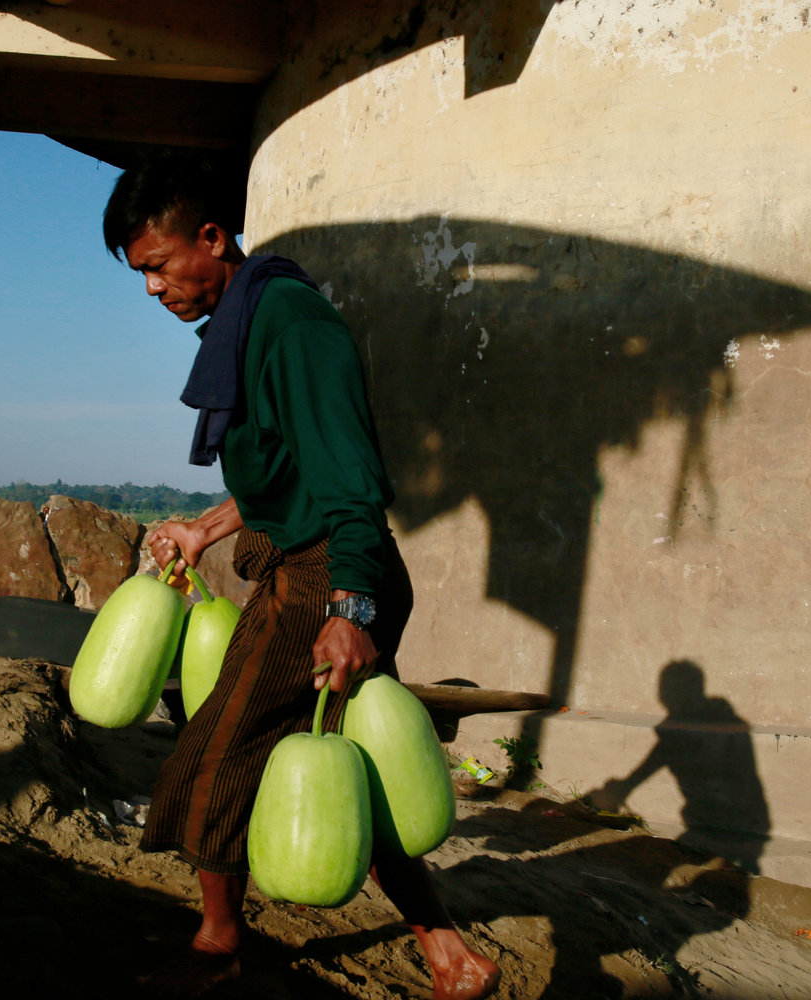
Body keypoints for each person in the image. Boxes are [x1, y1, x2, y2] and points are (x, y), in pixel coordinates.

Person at [102, 151, 500, 1000]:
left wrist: (349, 607)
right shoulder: (251, 323)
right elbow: (282, 475)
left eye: (158, 267)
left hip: (324, 578)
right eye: (140, 275)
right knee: (351, 761)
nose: (151, 290)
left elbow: (349, 477)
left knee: (214, 756)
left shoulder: (293, 325)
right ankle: (449, 954)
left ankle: (216, 950)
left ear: (211, 238)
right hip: (319, 567)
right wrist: (204, 527)